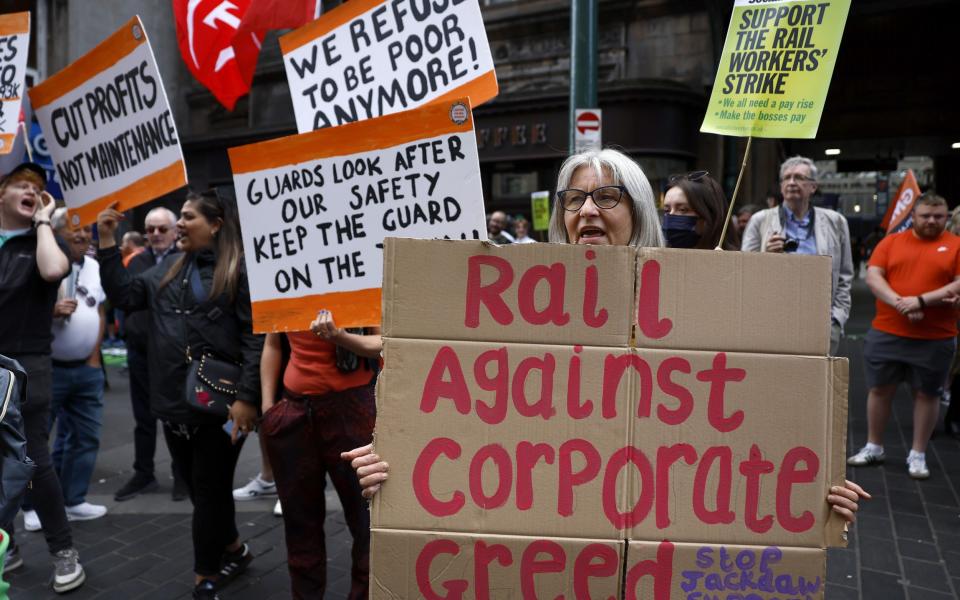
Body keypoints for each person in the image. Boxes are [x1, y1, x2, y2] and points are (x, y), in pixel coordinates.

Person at [344, 148, 870, 523]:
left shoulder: (707, 305)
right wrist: (395, 461)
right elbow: (462, 420)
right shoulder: (506, 315)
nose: (588, 210)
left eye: (606, 197)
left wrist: (812, 486)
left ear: (639, 210)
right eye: (574, 200)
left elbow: (758, 420)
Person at [97, 191, 263, 600]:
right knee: (201, 486)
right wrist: (105, 242)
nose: (181, 223)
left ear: (216, 224)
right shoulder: (166, 268)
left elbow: (254, 339)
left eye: (188, 217)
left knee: (207, 489)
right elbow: (124, 296)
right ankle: (234, 549)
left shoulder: (238, 270)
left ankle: (204, 575)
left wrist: (247, 397)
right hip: (174, 405)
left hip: (221, 407)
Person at [0, 162, 85, 593]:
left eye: (38, 188)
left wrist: (43, 224)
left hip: (26, 367)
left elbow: (53, 272)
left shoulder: (43, 242)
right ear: (1, 193)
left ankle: (64, 552)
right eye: (22, 185)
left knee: (33, 462)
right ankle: (7, 546)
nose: (32, 190)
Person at [259, 311, 380, 599]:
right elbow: (272, 344)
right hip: (297, 408)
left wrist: (341, 337)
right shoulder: (286, 282)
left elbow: (383, 341)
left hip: (352, 410)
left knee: (367, 520)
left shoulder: (360, 280)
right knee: (300, 523)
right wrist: (268, 410)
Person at [847, 193, 960, 479]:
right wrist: (902, 303)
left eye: (939, 216)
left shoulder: (956, 246)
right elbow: (874, 276)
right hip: (888, 331)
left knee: (927, 393)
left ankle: (918, 453)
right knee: (880, 389)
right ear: (913, 216)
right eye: (926, 216)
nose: (932, 221)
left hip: (936, 336)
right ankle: (874, 446)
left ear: (946, 216)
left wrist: (921, 301)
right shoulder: (891, 242)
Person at [741, 156, 854, 355]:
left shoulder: (835, 222)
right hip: (772, 320)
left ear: (813, 186)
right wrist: (765, 255)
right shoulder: (760, 221)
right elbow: (743, 271)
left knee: (815, 383)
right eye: (787, 178)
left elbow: (845, 275)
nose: (792, 182)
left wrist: (836, 319)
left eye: (800, 177)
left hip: (820, 322)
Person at [114, 207, 189, 503]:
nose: (156, 234)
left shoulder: (184, 259)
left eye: (161, 229)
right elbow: (123, 296)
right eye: (150, 229)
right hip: (140, 351)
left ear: (174, 231)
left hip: (172, 355)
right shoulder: (136, 261)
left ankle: (182, 475)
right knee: (142, 417)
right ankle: (143, 473)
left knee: (177, 418)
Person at [48, 209, 108, 523]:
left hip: (86, 370)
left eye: (87, 229)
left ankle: (74, 499)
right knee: (37, 441)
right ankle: (33, 506)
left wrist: (95, 355)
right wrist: (51, 311)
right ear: (56, 232)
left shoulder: (95, 266)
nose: (83, 235)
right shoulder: (43, 264)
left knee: (85, 437)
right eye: (75, 229)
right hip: (50, 367)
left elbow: (99, 311)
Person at [662, 170, 739, 250]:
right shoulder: (658, 258)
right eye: (666, 210)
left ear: (710, 214)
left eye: (682, 209)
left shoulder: (737, 261)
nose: (671, 215)